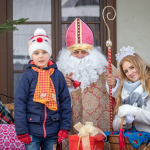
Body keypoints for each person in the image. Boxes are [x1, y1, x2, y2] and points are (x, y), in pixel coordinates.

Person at [57, 17, 119, 150]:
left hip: (99, 122)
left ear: (91, 51)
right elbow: (48, 96)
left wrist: (115, 83)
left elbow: (125, 87)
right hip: (73, 122)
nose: (80, 56)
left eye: (84, 51)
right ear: (69, 53)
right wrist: (61, 85)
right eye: (75, 52)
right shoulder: (60, 71)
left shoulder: (104, 66)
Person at [14, 28, 72, 150]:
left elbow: (65, 102)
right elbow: (20, 104)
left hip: (53, 131)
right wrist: (22, 130)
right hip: (32, 131)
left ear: (49, 54)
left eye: (44, 52)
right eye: (36, 53)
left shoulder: (57, 75)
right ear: (31, 55)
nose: (41, 56)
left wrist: (64, 128)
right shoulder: (27, 76)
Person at [111, 46, 150, 134]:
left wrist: (134, 112)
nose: (130, 73)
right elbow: (115, 126)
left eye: (132, 67)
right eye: (126, 71)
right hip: (132, 144)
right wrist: (122, 121)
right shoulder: (124, 90)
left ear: (139, 64)